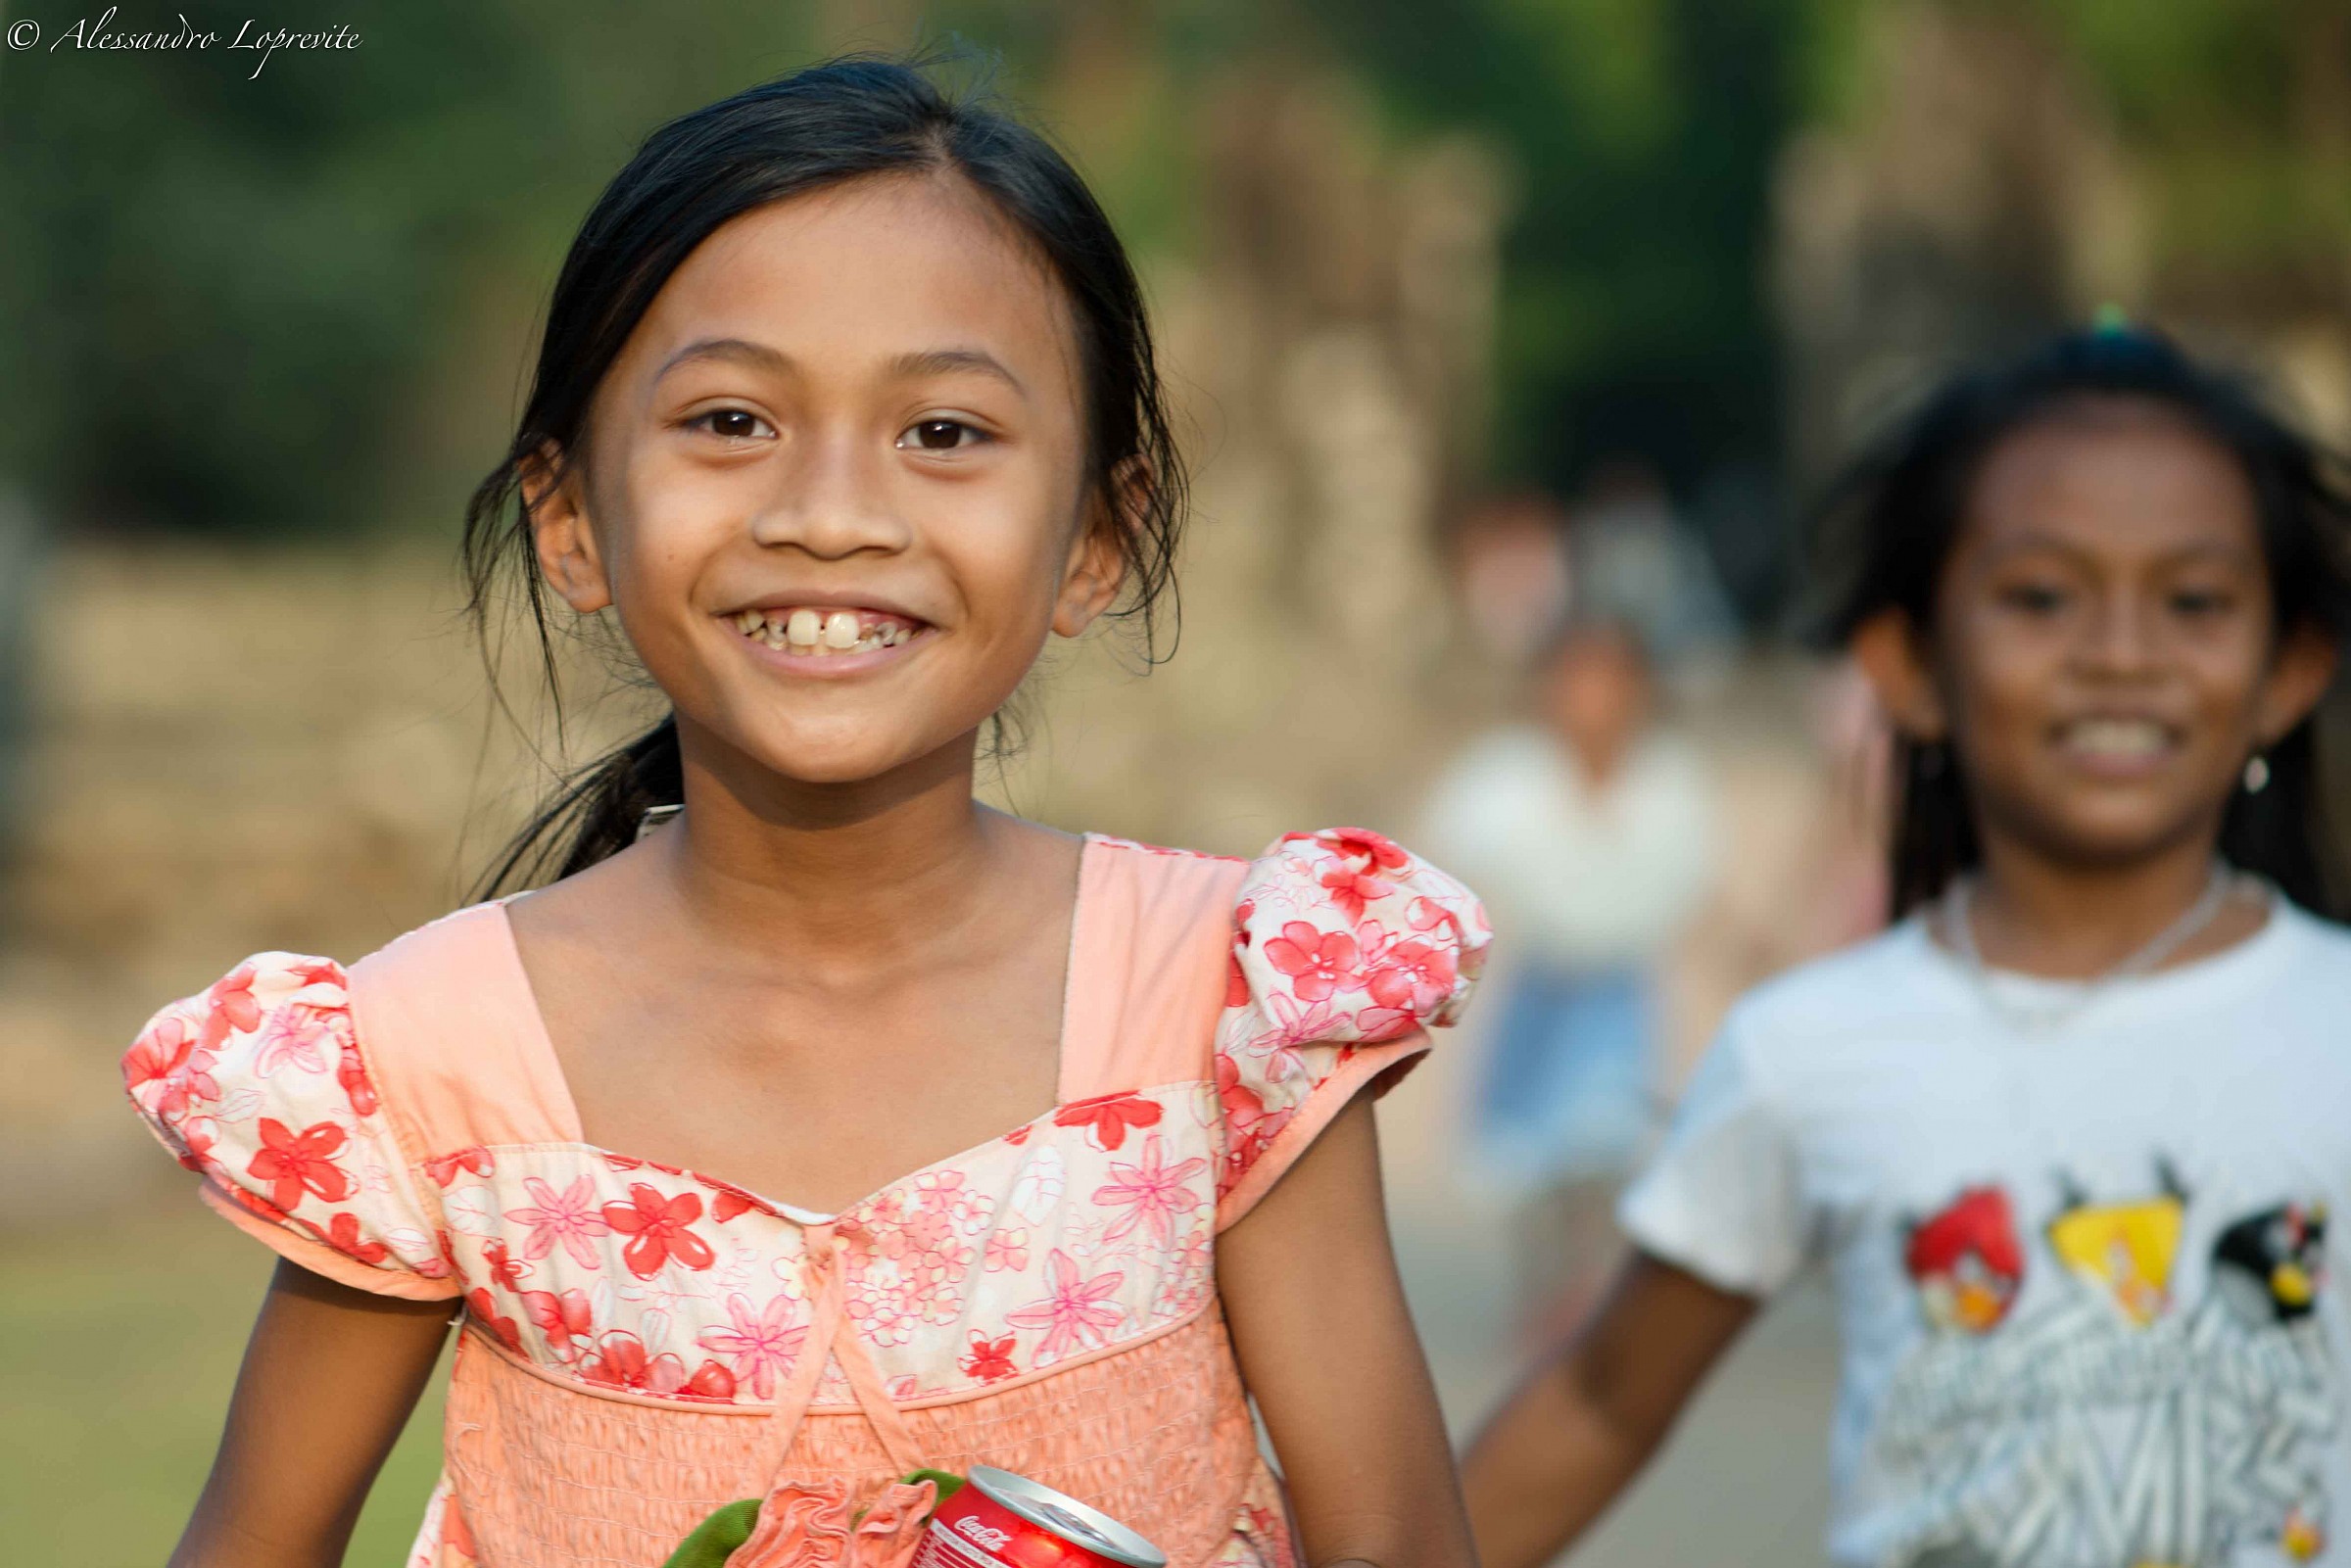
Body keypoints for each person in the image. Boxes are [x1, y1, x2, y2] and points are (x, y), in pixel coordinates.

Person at [123, 59, 1490, 1568]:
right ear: (572, 517)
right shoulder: (423, 1067)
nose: (831, 514)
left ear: (1099, 535)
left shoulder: (1219, 1005)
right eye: (729, 419)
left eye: (945, 434)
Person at [1461, 325, 2351, 1568]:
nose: (2121, 653)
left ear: (2288, 669)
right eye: (2042, 595)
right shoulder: (1813, 1049)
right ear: (1909, 663)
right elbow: (1600, 1400)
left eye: (2194, 600)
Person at [1422, 617, 1714, 1341]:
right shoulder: (1506, 778)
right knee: (1528, 1159)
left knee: (1604, 1150)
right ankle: (1544, 1288)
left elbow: (1687, 885)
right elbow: (1454, 864)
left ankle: (1585, 1295)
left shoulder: (1667, 781)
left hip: (1616, 997)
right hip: (1539, 995)